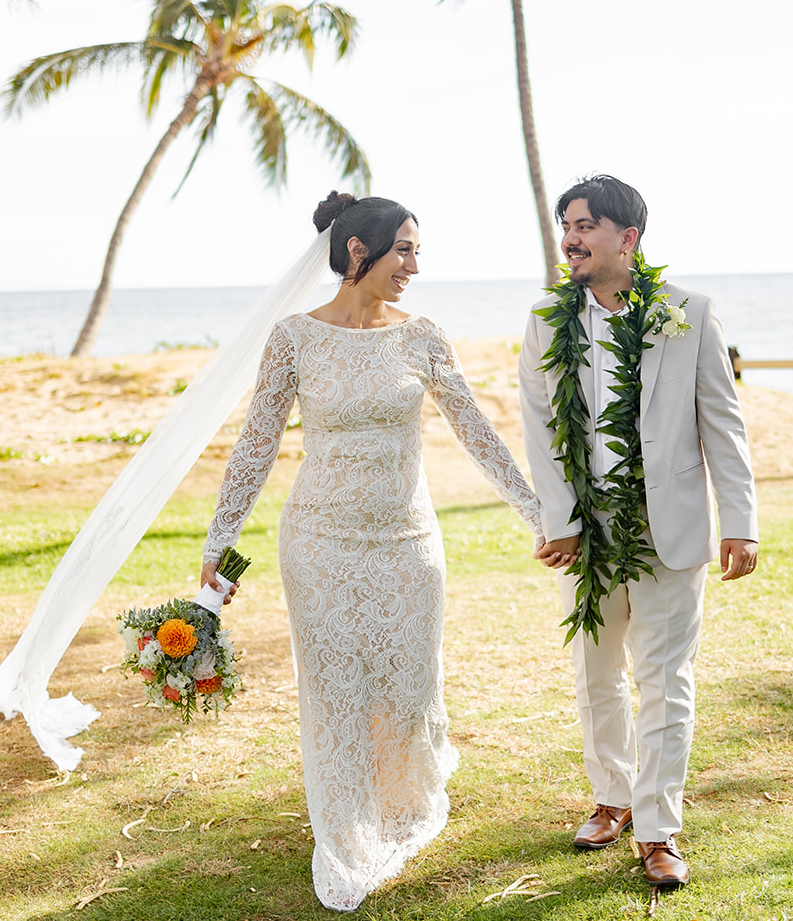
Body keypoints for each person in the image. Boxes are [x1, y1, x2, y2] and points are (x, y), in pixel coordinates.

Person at [199, 191, 545, 912]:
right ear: (359, 251)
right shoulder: (294, 337)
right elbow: (257, 443)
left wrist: (535, 509)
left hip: (407, 540)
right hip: (319, 541)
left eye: (417, 250)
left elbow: (474, 429)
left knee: (407, 685)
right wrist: (220, 539)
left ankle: (397, 803)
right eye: (405, 249)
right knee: (334, 691)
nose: (415, 265)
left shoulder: (422, 336)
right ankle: (345, 822)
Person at [517, 175, 759, 891]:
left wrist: (739, 520)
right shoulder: (544, 320)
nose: (570, 237)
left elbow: (723, 422)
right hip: (586, 537)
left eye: (585, 224)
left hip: (670, 529)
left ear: (628, 237)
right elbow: (540, 429)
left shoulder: (689, 313)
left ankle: (658, 829)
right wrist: (557, 520)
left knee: (665, 683)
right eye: (566, 223)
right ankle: (612, 797)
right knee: (596, 677)